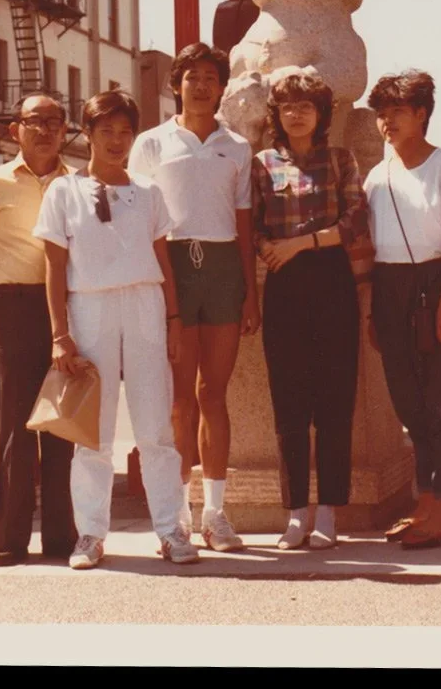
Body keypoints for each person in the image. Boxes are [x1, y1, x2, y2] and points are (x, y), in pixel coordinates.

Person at [33, 90, 199, 568]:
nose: (116, 140)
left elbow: (164, 259)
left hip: (145, 305)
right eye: (106, 131)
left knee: (156, 428)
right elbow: (54, 267)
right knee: (93, 433)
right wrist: (60, 334)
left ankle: (172, 530)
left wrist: (172, 319)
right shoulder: (63, 191)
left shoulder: (148, 192)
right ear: (87, 134)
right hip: (90, 308)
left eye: (125, 132)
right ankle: (91, 535)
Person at [128, 42, 261, 552]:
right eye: (192, 77)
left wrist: (249, 294)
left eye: (210, 77)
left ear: (222, 87)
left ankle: (216, 515)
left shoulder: (238, 147)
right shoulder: (152, 144)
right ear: (176, 84)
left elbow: (244, 223)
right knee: (180, 402)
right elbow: (138, 215)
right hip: (175, 267)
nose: (201, 85)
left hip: (224, 269)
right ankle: (177, 517)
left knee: (214, 395)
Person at [0, 92, 78, 567]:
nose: (45, 129)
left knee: (62, 425)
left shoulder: (79, 183)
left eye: (54, 121)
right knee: (16, 427)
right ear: (15, 130)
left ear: (65, 129)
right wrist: (0, 288)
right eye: (34, 121)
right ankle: (10, 539)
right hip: (12, 309)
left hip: (69, 307)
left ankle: (62, 539)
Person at [364, 70, 441, 550]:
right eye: (381, 113)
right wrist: (376, 310)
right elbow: (371, 249)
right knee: (409, 404)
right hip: (391, 289)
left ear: (421, 114)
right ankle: (426, 506)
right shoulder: (375, 176)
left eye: (396, 111)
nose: (386, 121)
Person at [251, 71, 369, 550]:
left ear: (321, 114)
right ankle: (296, 512)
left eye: (306, 105)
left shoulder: (340, 160)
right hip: (284, 286)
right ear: (277, 115)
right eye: (287, 106)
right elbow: (253, 224)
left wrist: (302, 242)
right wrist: (267, 249)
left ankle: (328, 512)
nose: (296, 113)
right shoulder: (262, 163)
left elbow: (356, 218)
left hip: (331, 278)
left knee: (335, 403)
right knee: (290, 403)